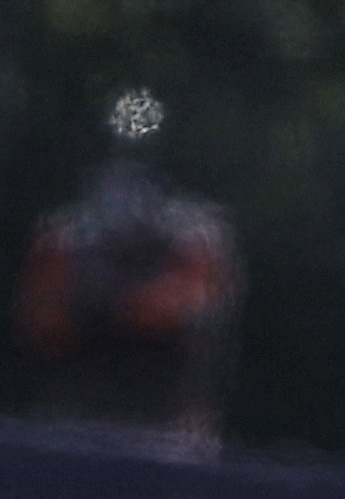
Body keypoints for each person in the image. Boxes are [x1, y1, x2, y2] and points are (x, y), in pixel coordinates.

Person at [15, 92, 241, 447]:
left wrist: (108, 299)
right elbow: (46, 324)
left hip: (165, 424)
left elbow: (183, 309)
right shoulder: (65, 237)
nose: (127, 180)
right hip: (71, 417)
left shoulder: (196, 237)